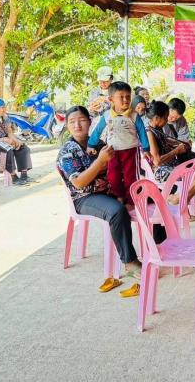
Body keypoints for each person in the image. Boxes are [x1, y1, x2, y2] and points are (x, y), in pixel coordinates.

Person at [57, 106, 142, 295]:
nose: (77, 125)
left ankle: (159, 246)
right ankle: (129, 262)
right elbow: (79, 182)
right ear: (67, 126)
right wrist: (100, 162)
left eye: (82, 120)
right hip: (84, 198)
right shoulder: (67, 151)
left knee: (146, 197)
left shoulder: (99, 144)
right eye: (72, 122)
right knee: (116, 211)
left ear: (90, 122)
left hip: (107, 190)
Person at [144, 101, 195, 224]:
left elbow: (166, 140)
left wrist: (180, 143)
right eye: (165, 117)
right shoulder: (149, 132)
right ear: (157, 118)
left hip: (170, 165)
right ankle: (178, 201)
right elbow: (157, 161)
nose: (167, 120)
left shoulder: (157, 128)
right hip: (161, 170)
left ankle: (180, 202)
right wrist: (177, 150)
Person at [88, 81, 150, 207]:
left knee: (131, 178)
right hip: (112, 152)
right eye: (121, 97)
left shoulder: (134, 115)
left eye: (128, 96)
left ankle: (131, 201)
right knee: (113, 177)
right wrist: (91, 144)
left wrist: (146, 148)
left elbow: (142, 132)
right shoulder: (107, 115)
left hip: (131, 152)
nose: (125, 100)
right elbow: (98, 130)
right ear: (111, 99)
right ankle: (119, 196)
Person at [0, 98, 33, 185]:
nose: (2, 110)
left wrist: (15, 140)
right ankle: (13, 176)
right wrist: (3, 139)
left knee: (23, 148)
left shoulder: (5, 118)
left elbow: (9, 132)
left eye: (3, 107)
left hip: (6, 142)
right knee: (7, 151)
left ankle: (24, 175)